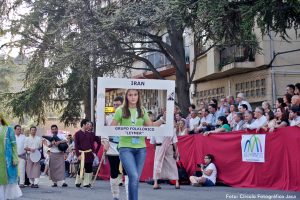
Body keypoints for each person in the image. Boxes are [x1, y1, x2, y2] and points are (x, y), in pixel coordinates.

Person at [110, 89, 166, 200]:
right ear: (126, 96)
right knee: (134, 176)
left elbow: (151, 126)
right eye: (130, 95)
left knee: (134, 179)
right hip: (125, 147)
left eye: (135, 95)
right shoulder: (120, 110)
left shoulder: (142, 110)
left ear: (138, 96)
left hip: (141, 148)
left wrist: (163, 118)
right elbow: (112, 127)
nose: (133, 97)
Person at [102, 96, 127, 200]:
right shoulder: (108, 118)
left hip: (126, 147)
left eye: (118, 105)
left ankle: (129, 195)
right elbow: (104, 131)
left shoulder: (128, 117)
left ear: (123, 105)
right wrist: (105, 141)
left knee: (128, 172)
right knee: (114, 172)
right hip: (112, 148)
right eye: (114, 105)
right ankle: (115, 195)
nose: (116, 107)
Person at [0, 113, 22, 200]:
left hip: (7, 159)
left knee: (8, 178)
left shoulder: (8, 129)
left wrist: (15, 157)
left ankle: (6, 196)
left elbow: (14, 145)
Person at [74, 119, 99, 188]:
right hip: (81, 154)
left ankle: (87, 183)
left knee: (89, 168)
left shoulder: (90, 134)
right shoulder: (77, 134)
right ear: (83, 125)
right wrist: (78, 155)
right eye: (87, 124)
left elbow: (94, 144)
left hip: (89, 154)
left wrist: (94, 153)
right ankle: (78, 182)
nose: (89, 126)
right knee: (81, 167)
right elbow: (76, 145)